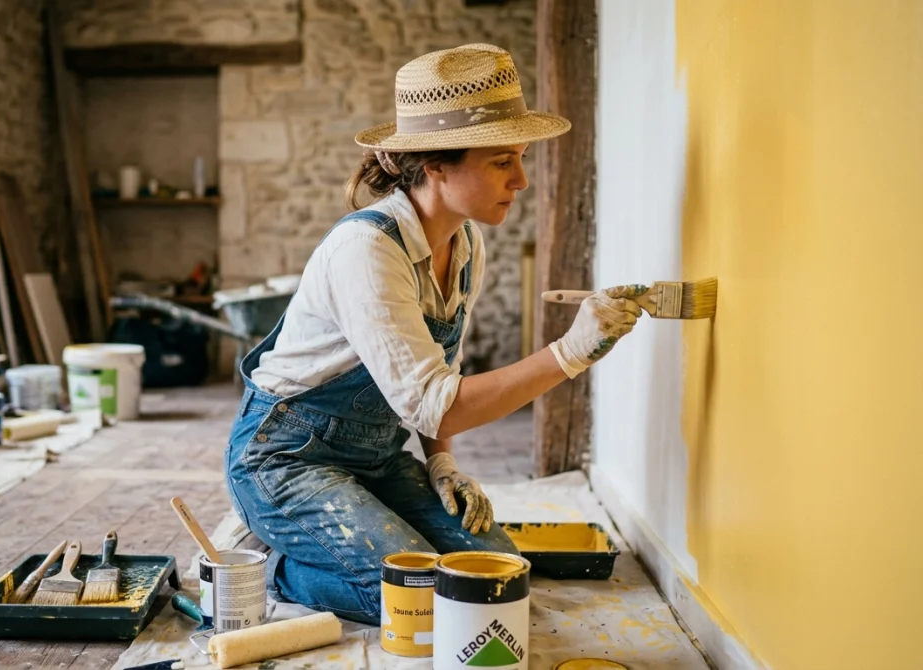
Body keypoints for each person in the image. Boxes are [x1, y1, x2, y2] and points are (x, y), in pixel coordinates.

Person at [224, 43, 644, 625]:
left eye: (521, 159)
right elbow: (437, 405)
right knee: (420, 595)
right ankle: (268, 563)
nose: (521, 180)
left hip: (375, 457)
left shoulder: (466, 244)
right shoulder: (365, 250)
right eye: (502, 162)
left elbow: (437, 383)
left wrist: (442, 465)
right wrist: (569, 353)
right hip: (287, 458)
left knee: (497, 575)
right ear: (437, 164)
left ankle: (331, 536)